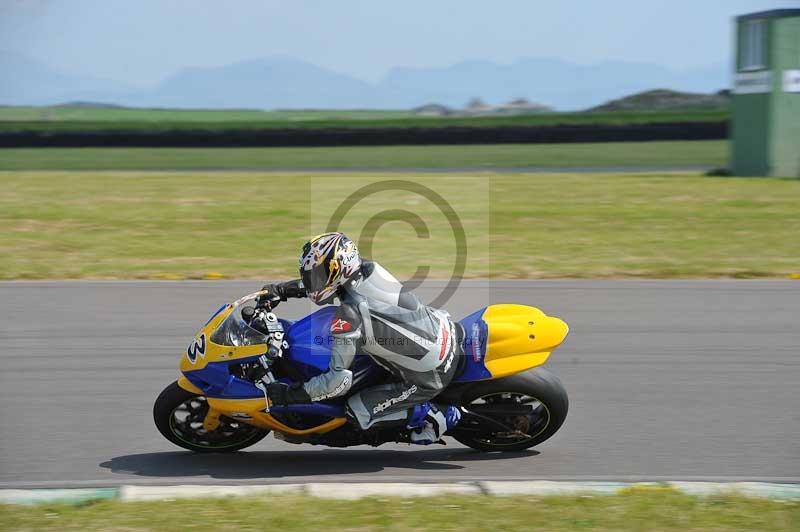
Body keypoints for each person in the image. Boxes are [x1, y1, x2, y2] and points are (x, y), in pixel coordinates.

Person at [259, 232, 461, 445]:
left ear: (337, 271)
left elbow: (338, 382)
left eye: (315, 276)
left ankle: (433, 415)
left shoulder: (351, 314)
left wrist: (291, 395)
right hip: (441, 329)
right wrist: (283, 290)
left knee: (356, 410)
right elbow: (328, 285)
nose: (312, 282)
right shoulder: (366, 269)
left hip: (430, 374)